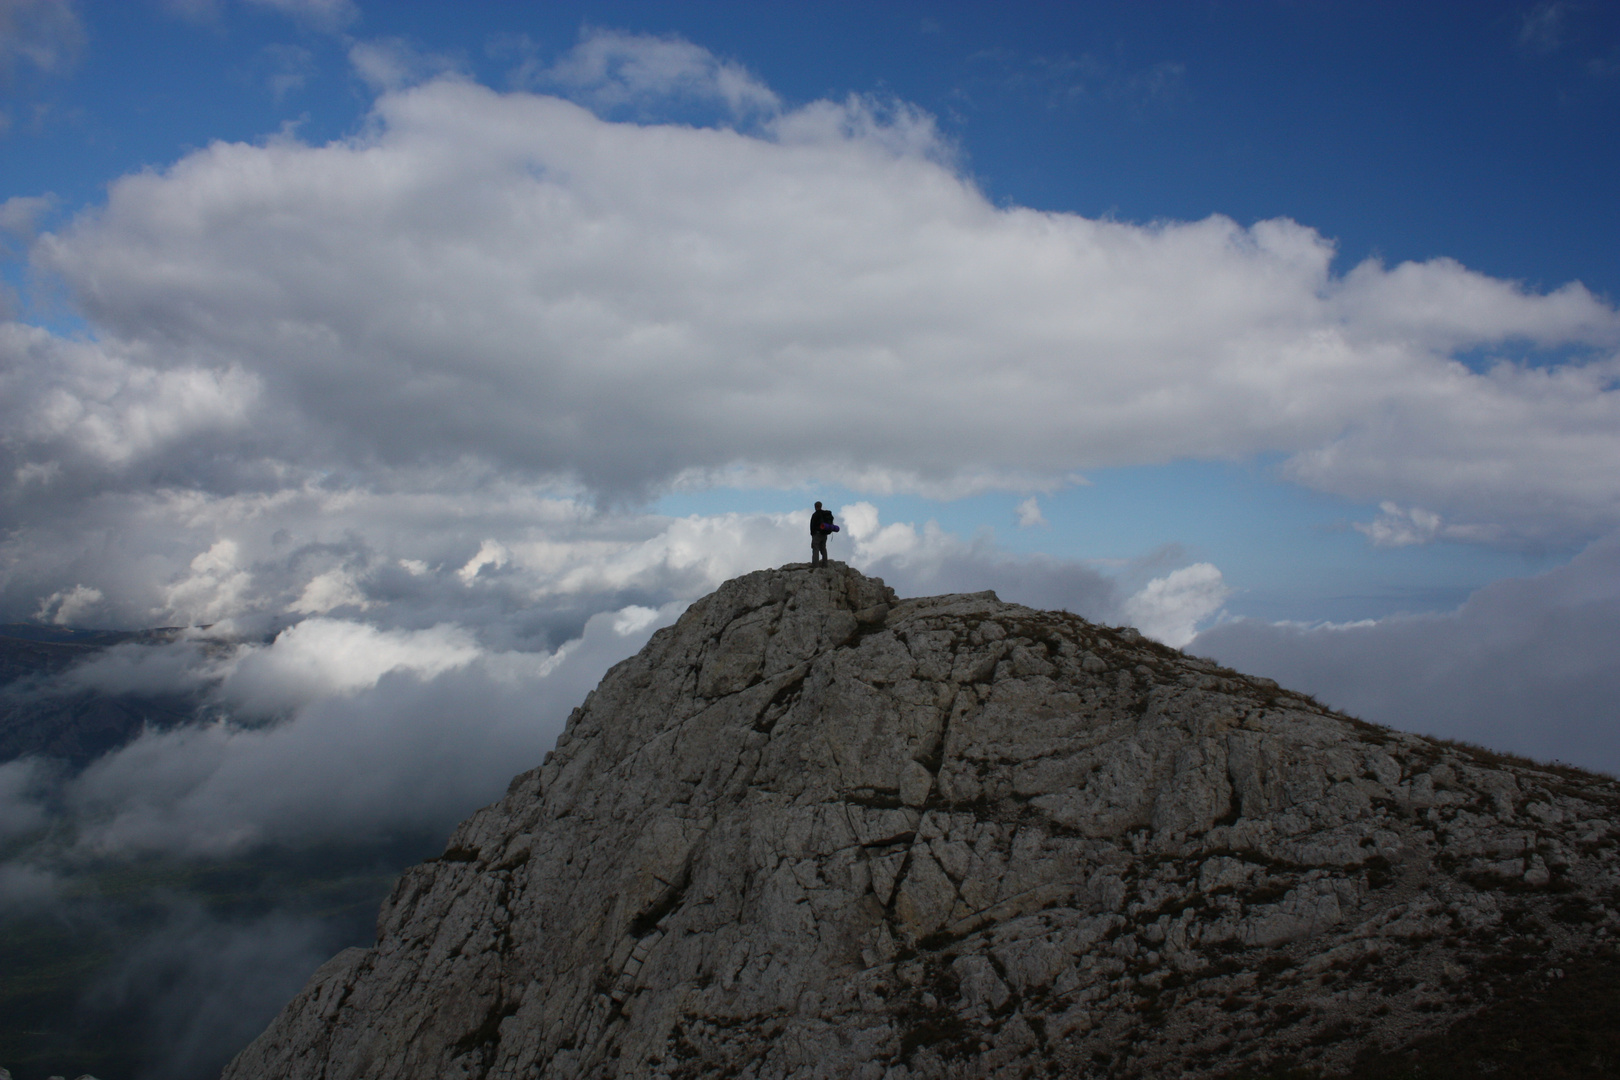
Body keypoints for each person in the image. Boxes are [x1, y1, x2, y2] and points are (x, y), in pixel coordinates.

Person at [809, 501, 836, 567]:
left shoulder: (815, 515)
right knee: (823, 548)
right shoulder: (825, 514)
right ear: (821, 506)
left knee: (815, 548)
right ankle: (825, 564)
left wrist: (812, 534)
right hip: (824, 534)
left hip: (817, 534)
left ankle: (815, 565)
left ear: (815, 507)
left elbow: (812, 525)